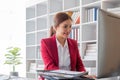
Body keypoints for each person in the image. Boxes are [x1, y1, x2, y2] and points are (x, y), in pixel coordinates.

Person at [40, 12, 96, 79]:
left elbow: (79, 64)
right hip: (53, 78)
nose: (69, 30)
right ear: (56, 27)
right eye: (65, 26)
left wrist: (83, 75)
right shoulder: (46, 43)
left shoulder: (73, 43)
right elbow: (50, 66)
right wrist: (66, 76)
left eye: (70, 26)